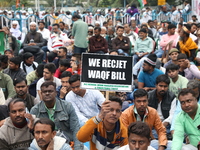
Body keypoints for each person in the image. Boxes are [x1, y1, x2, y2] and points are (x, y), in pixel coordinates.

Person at [30, 81, 84, 150]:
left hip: (67, 143)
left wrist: (77, 148)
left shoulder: (67, 106)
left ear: (56, 93)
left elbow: (76, 129)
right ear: (40, 93)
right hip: (44, 145)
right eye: (44, 92)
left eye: (50, 91)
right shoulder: (35, 110)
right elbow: (34, 133)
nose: (47, 93)